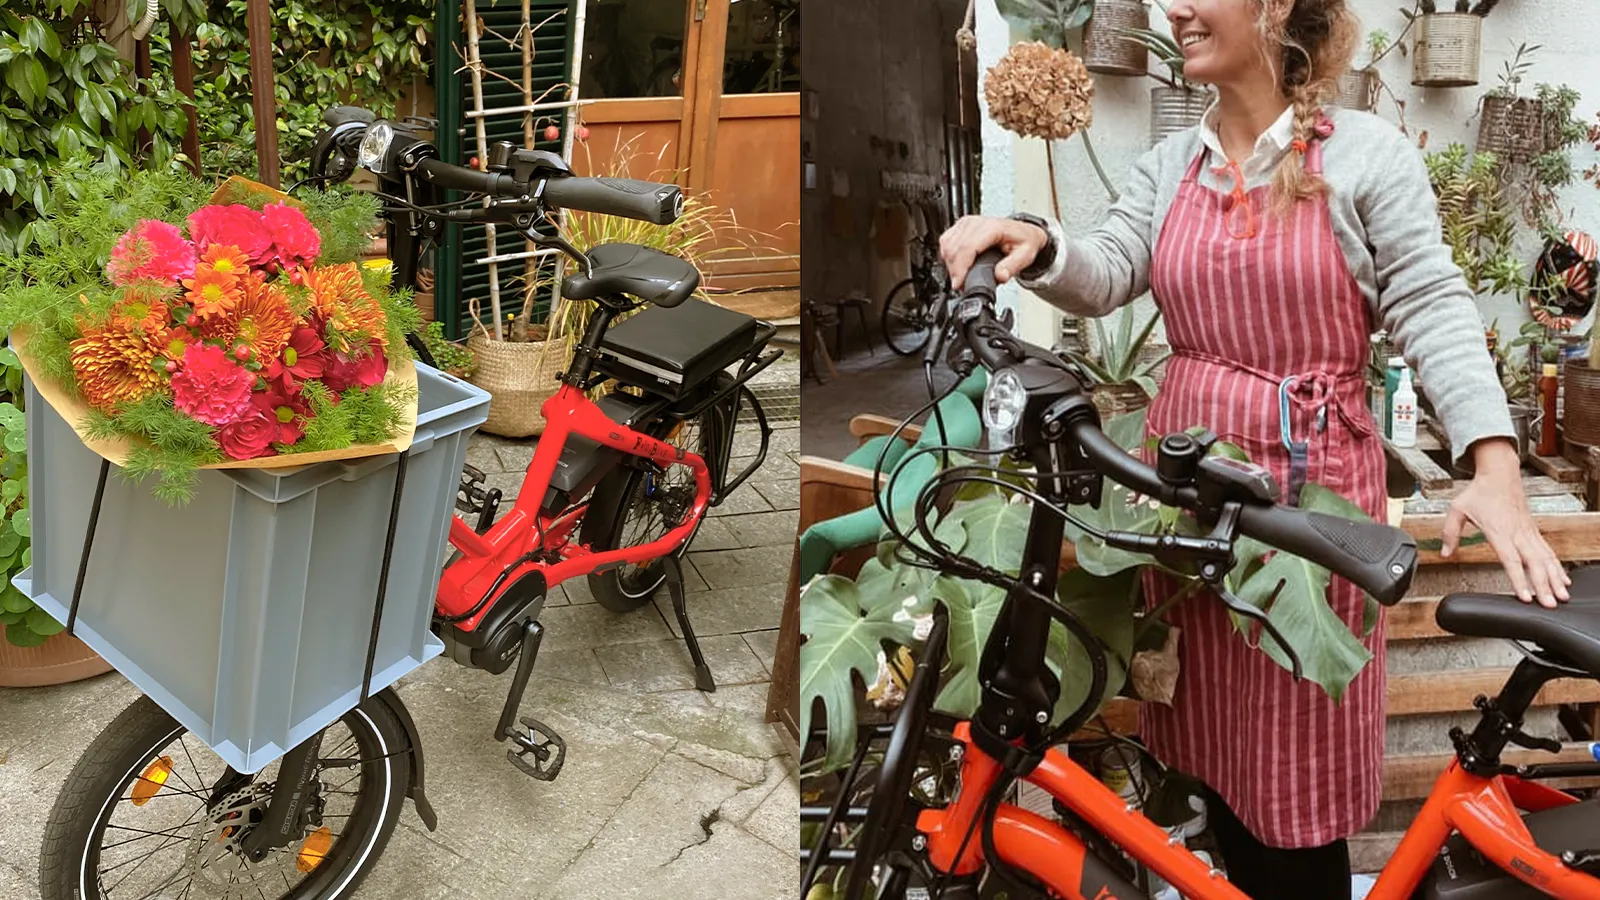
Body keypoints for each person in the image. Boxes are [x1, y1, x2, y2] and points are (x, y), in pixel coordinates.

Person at [938, 0, 1571, 896]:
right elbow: (1112, 264)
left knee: (1294, 778)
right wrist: (1039, 243)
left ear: (1278, 8)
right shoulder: (1172, 162)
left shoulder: (1364, 157)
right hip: (1189, 490)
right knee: (1217, 753)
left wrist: (1495, 465)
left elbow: (1430, 304)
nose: (1176, 7)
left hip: (1302, 512)